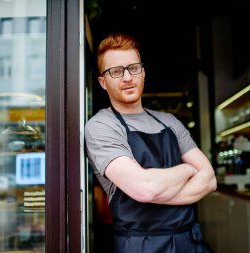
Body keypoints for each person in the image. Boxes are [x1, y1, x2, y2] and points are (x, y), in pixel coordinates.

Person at [85, 32, 217, 253]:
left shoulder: (169, 121)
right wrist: (187, 169)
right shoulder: (102, 126)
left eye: (133, 68)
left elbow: (210, 180)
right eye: (116, 71)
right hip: (141, 245)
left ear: (143, 73)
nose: (127, 77)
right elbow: (145, 189)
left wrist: (156, 190)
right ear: (103, 82)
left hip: (190, 242)